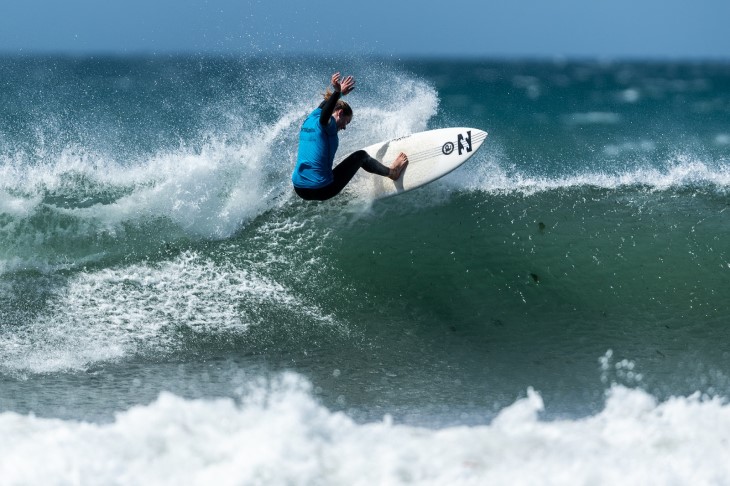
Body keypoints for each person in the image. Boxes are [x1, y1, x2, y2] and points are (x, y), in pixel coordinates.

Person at [292, 72, 408, 201]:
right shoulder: (328, 125)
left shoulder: (310, 118)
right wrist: (337, 93)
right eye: (346, 122)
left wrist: (339, 92)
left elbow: (324, 106)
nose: (344, 127)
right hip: (321, 190)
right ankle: (393, 172)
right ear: (340, 113)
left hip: (299, 188)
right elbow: (325, 117)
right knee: (361, 156)